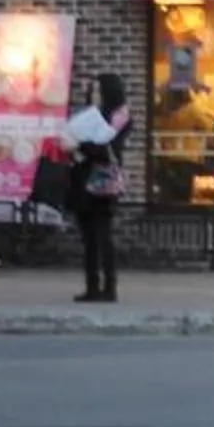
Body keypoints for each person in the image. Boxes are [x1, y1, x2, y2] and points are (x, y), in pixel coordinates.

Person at [64, 74, 131, 305]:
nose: (93, 94)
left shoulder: (119, 116)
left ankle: (109, 286)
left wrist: (82, 145)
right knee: (88, 237)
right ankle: (91, 286)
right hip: (82, 178)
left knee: (103, 235)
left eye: (97, 90)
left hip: (103, 181)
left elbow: (107, 147)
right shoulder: (89, 115)